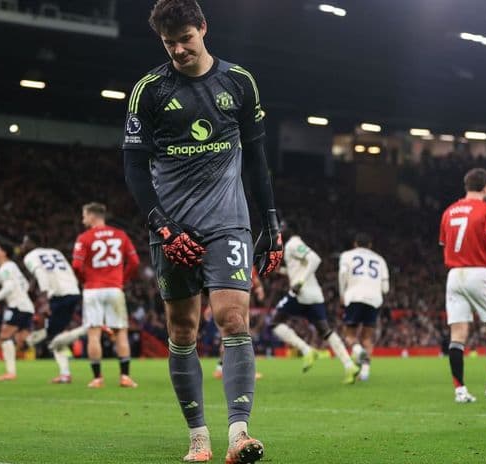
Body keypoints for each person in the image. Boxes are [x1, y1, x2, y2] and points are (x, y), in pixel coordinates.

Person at [122, 1, 283, 461]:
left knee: (233, 318)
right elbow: (133, 167)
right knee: (183, 330)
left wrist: (270, 223)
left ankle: (238, 434)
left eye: (185, 39)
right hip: (172, 228)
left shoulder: (239, 82)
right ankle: (198, 436)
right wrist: (162, 226)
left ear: (203, 29)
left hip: (228, 223)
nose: (178, 50)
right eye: (169, 43)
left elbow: (256, 160)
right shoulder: (149, 91)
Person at [439, 168, 486, 403]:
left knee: (458, 334)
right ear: (485, 188)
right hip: (480, 273)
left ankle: (460, 391)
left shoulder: (449, 212)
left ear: (466, 186)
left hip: (454, 274)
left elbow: (445, 246)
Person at [273, 224, 359, 382]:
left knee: (275, 323)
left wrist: (300, 282)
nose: (280, 231)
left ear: (290, 230)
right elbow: (299, 268)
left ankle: (307, 350)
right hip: (314, 295)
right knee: (325, 331)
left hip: (301, 293)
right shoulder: (292, 246)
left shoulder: (293, 243)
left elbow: (314, 259)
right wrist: (282, 271)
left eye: (282, 228)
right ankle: (349, 365)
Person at [72, 202, 140, 388]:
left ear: (93, 216)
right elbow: (134, 262)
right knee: (121, 333)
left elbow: (77, 266)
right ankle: (125, 377)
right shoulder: (121, 235)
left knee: (93, 334)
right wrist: (121, 280)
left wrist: (85, 280)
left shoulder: (84, 238)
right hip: (114, 288)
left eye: (84, 215)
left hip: (92, 289)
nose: (83, 219)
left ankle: (97, 378)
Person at [20, 232, 81, 383]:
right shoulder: (55, 252)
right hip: (73, 291)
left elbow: (41, 273)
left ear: (31, 244)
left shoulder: (29, 257)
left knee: (53, 336)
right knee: (55, 333)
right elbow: (68, 270)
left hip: (57, 295)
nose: (22, 246)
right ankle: (32, 342)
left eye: (24, 242)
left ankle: (65, 373)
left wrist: (45, 299)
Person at [339, 232, 389, 382]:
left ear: (355, 243)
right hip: (374, 299)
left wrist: (342, 294)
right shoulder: (380, 260)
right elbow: (386, 288)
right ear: (370, 245)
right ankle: (365, 372)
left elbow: (342, 275)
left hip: (354, 296)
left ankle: (357, 350)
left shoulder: (347, 256)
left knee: (349, 335)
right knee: (367, 338)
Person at [0, 243, 35, 381]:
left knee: (4, 337)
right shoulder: (13, 266)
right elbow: (25, 284)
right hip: (27, 306)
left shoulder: (4, 268)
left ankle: (10, 372)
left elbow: (9, 287)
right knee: (20, 340)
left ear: (4, 253)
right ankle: (40, 337)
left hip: (17, 306)